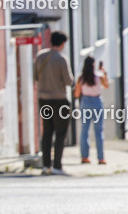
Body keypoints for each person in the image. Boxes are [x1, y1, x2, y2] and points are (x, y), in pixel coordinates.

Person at [33, 31, 74, 175]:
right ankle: (57, 165)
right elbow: (69, 81)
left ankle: (46, 165)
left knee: (47, 132)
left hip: (43, 99)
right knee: (60, 133)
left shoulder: (40, 56)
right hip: (59, 100)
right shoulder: (61, 59)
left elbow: (35, 76)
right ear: (62, 43)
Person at [76, 56, 109, 165]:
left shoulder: (81, 78)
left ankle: (84, 157)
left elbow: (76, 93)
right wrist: (104, 73)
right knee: (99, 131)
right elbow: (106, 86)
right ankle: (101, 158)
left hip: (85, 101)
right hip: (96, 101)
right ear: (94, 65)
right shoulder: (99, 76)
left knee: (84, 131)